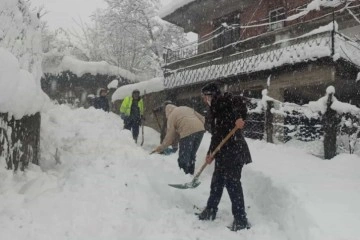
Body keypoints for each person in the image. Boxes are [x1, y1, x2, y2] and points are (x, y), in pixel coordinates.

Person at [197, 82, 252, 232]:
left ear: (211, 96)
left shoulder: (224, 101)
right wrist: (210, 154)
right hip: (223, 153)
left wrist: (241, 118)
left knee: (233, 184)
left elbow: (238, 102)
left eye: (205, 97)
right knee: (217, 182)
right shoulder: (214, 111)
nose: (204, 100)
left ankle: (241, 219)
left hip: (234, 151)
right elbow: (217, 136)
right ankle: (210, 210)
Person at [153, 103, 205, 175]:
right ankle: (190, 174)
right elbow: (202, 118)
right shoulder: (185, 107)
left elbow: (169, 137)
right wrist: (197, 127)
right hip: (200, 131)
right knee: (192, 155)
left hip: (187, 132)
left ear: (167, 112)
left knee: (183, 157)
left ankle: (183, 177)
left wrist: (161, 147)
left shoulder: (171, 116)